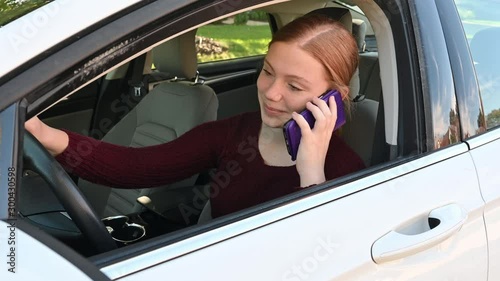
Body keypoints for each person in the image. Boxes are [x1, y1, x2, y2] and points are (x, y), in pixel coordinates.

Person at [25, 14, 365, 218]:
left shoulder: (349, 172)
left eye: (294, 86)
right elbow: (138, 166)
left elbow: (319, 253)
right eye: (267, 72)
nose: (271, 93)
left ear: (333, 97)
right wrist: (46, 136)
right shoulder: (235, 133)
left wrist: (311, 174)